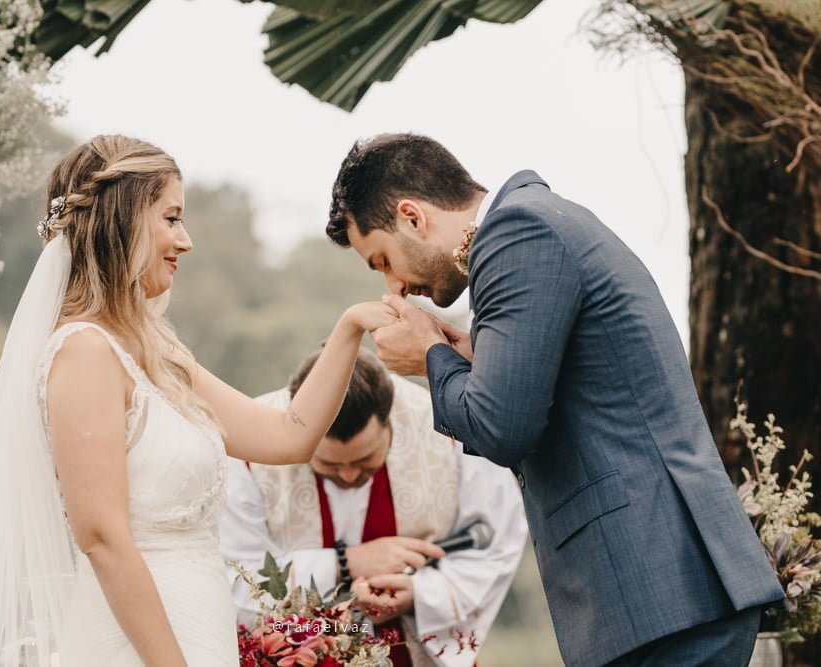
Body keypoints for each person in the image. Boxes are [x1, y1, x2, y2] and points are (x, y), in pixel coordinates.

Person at [0, 135, 398, 666]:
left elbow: (289, 436)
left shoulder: (156, 350)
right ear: (124, 220)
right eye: (171, 218)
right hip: (139, 644)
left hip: (200, 628)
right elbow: (103, 539)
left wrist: (351, 328)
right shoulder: (85, 352)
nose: (186, 240)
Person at [323, 133, 785, 667]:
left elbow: (501, 427)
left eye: (383, 260)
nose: (394, 287)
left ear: (412, 217)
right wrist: (467, 355)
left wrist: (430, 355)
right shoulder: (536, 223)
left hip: (660, 585)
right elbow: (563, 381)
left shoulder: (517, 232)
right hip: (664, 590)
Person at [221, 348, 526, 666]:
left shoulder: (450, 428)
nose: (348, 475)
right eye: (329, 463)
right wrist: (346, 563)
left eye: (364, 460)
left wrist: (420, 594)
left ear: (389, 424)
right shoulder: (249, 445)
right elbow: (232, 578)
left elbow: (497, 539)